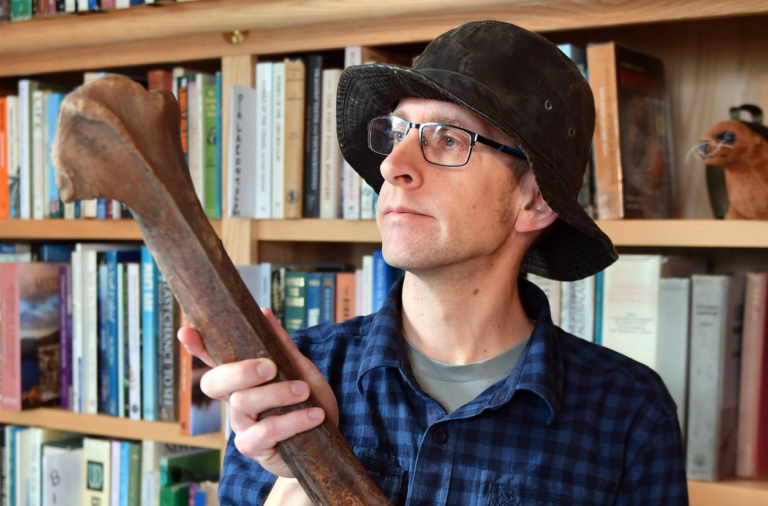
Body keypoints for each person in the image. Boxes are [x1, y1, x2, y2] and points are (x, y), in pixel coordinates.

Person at [178, 20, 689, 506]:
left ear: (534, 202)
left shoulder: (628, 414)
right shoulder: (292, 382)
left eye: (447, 139)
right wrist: (309, 463)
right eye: (397, 134)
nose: (393, 165)